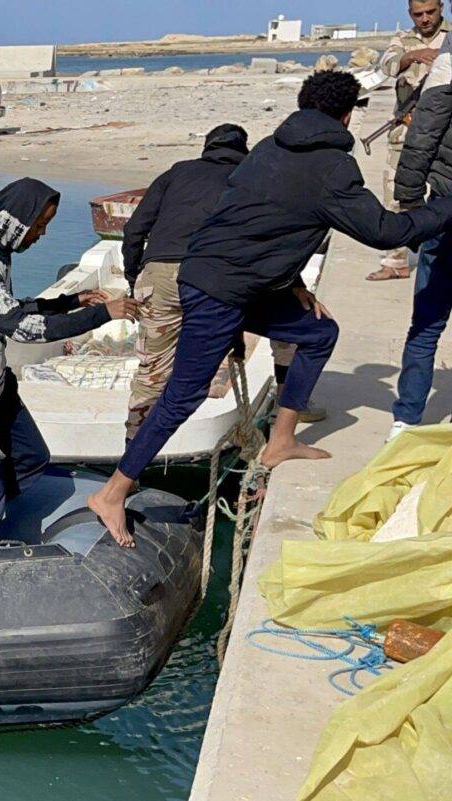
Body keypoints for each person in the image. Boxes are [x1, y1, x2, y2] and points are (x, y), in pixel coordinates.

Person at [89, 70, 452, 547]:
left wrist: (294, 284)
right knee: (183, 394)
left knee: (320, 332)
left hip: (230, 280)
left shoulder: (266, 149)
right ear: (347, 115)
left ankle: (281, 440)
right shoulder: (332, 167)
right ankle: (114, 492)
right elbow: (387, 232)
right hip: (220, 291)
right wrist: (445, 207)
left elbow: (262, 222)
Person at [0, 179, 135, 548]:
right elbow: (19, 327)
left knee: (33, 456)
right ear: (19, 221)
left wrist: (70, 301)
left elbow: (9, 308)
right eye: (39, 225)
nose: (41, 234)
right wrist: (102, 315)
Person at [123, 124, 251, 442]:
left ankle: (134, 445)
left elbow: (134, 229)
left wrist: (133, 275)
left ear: (207, 148)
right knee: (202, 358)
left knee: (152, 369)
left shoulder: (177, 172)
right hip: (213, 277)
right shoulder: (249, 179)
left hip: (160, 275)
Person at [391, 32, 452, 439]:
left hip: (444, 210)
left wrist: (411, 207)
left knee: (427, 322)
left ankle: (406, 420)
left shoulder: (447, 67)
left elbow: (421, 139)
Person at [371, 0, 451, 280]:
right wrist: (414, 55)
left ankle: (436, 257)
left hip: (441, 134)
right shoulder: (403, 39)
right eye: (419, 14)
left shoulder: (450, 36)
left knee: (441, 195)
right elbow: (388, 66)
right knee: (396, 195)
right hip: (404, 131)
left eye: (431, 12)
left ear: (441, 8)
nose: (425, 19)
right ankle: (394, 261)